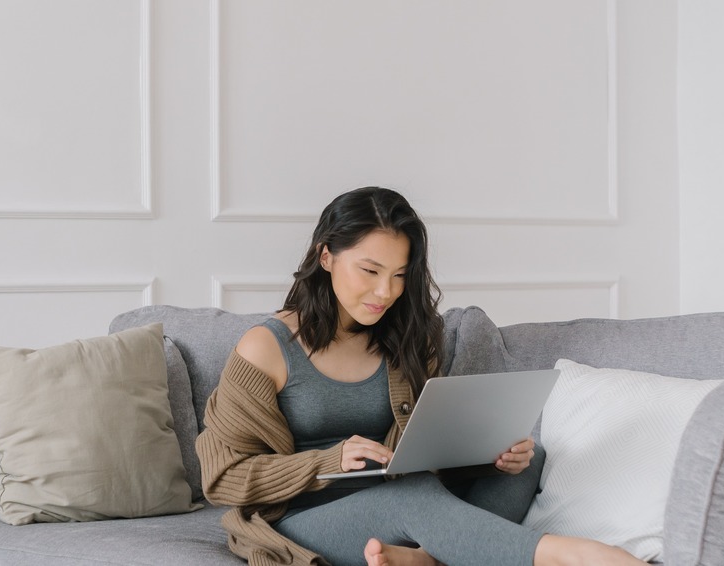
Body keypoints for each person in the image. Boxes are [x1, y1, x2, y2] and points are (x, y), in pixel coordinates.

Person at [196, 187, 644, 566]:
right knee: (412, 498)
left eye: (398, 276)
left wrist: (489, 457)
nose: (385, 292)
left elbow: (417, 454)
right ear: (326, 256)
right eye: (369, 271)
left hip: (405, 490)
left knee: (527, 462)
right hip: (306, 512)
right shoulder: (266, 347)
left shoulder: (410, 336)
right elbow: (224, 477)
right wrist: (328, 461)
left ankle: (428, 558)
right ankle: (576, 555)